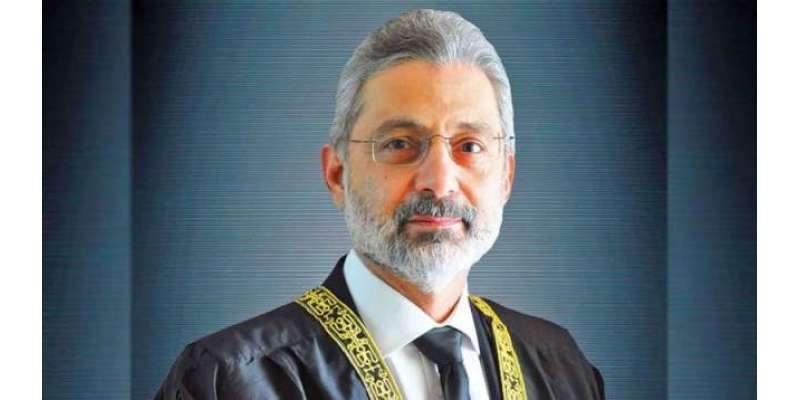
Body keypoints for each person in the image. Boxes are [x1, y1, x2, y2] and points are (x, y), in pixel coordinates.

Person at [156, 9, 604, 400]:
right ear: (338, 173)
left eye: (469, 146)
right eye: (399, 143)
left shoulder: (561, 368)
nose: (439, 183)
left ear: (505, 176)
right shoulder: (228, 381)